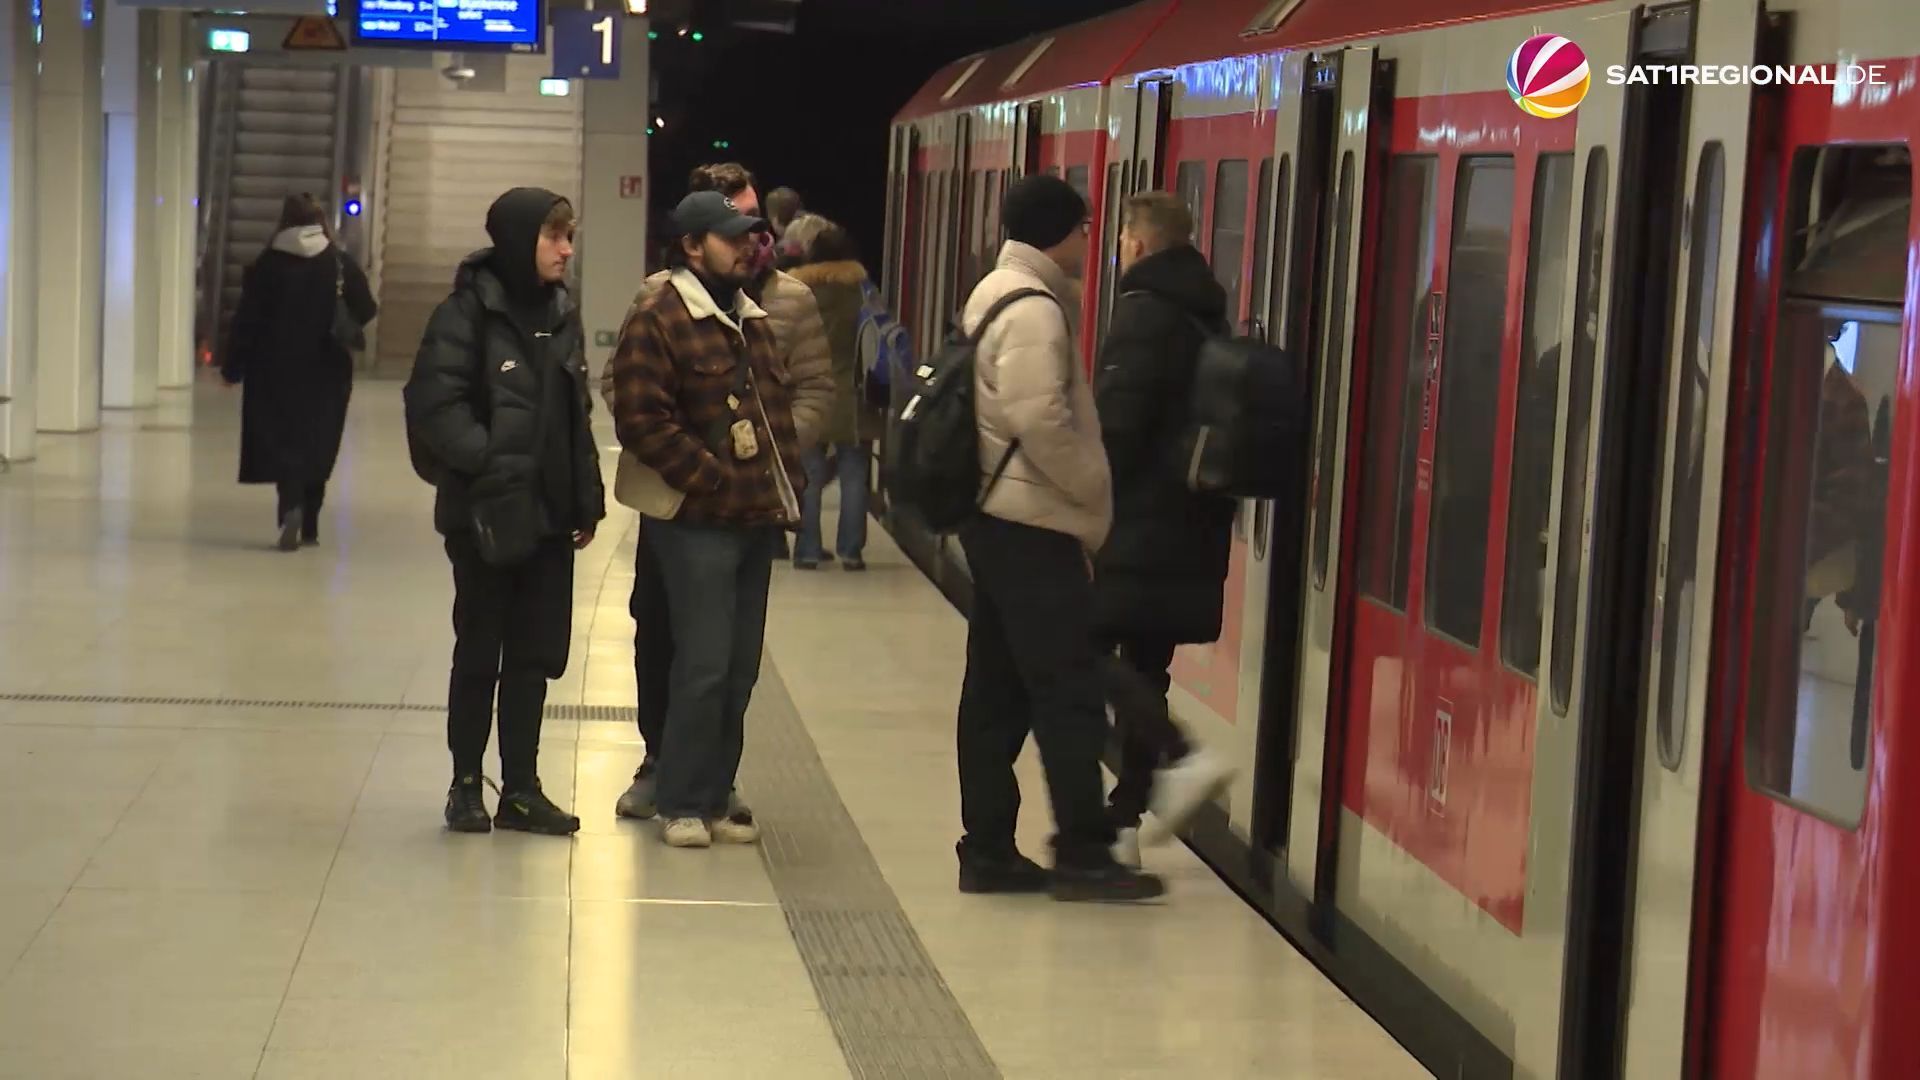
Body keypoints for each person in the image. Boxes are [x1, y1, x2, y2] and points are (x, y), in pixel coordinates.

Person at [954, 175, 1163, 902]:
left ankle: (987, 848)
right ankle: (1083, 852)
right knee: (1068, 690)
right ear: (1061, 232)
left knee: (997, 690)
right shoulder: (1035, 309)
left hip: (1000, 517)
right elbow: (1039, 417)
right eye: (1084, 228)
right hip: (1031, 523)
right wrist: (1090, 486)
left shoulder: (998, 291)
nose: (1089, 242)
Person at [604, 163, 833, 822]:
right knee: (682, 653)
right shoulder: (659, 307)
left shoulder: (772, 308)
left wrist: (771, 466)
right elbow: (634, 405)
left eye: (752, 226)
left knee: (735, 665)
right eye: (732, 228)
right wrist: (712, 474)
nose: (749, 241)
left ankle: (710, 789)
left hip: (752, 512)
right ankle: (673, 783)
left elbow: (803, 395)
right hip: (686, 510)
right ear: (693, 242)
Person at [403, 188, 606, 837]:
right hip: (485, 516)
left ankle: (521, 788)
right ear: (521, 241)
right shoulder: (466, 313)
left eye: (569, 237)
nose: (566, 250)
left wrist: (586, 498)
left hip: (548, 517)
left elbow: (575, 416)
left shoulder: (562, 313)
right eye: (555, 237)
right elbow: (435, 406)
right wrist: (494, 461)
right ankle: (466, 784)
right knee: (480, 650)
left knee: (533, 656)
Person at [1093, 192, 1239, 867]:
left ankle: (1180, 758)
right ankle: (1124, 820)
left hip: (1136, 525)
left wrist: (1084, 511)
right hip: (1190, 525)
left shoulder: (1143, 313)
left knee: (1071, 645)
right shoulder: (1206, 310)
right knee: (1147, 668)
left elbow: (1117, 430)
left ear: (1138, 243)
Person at [222, 193, 377, 550]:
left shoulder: (268, 264)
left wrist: (233, 368)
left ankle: (290, 505)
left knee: (285, 440)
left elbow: (247, 319)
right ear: (320, 222)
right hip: (328, 368)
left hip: (274, 368)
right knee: (318, 441)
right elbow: (367, 308)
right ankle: (310, 524)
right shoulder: (338, 262)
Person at [787, 223, 878, 570]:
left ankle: (808, 549)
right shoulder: (861, 292)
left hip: (808, 392)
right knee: (854, 473)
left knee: (808, 473)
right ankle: (851, 551)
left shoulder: (798, 292)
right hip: (852, 395)